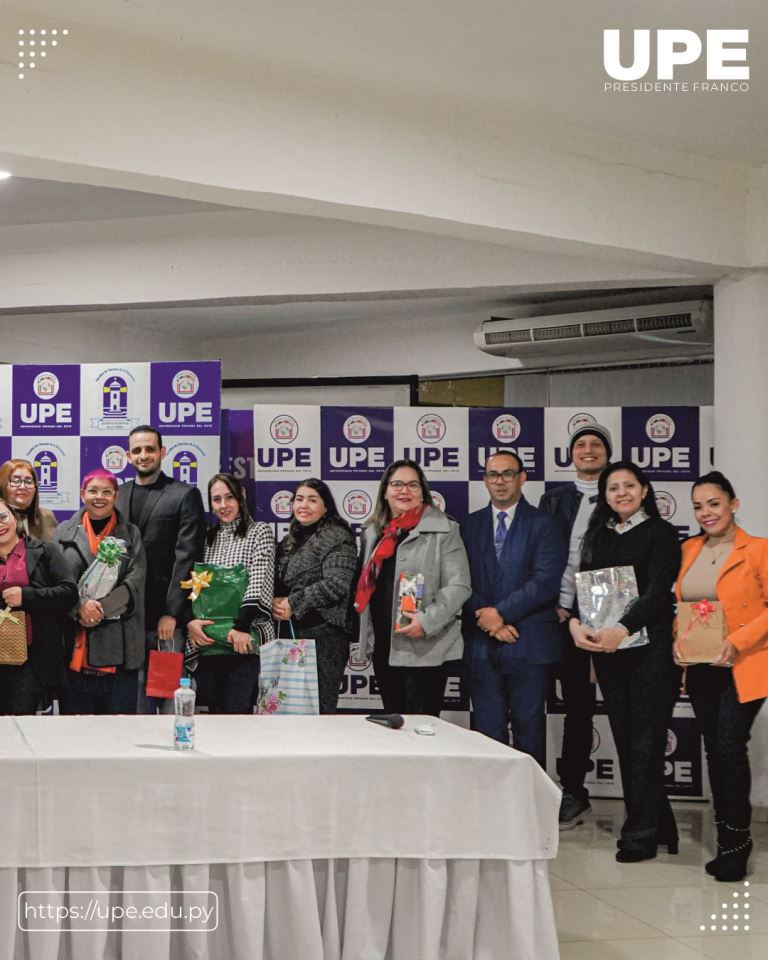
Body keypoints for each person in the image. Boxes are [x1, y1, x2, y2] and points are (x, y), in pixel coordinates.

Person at [569, 460, 682, 863]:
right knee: (626, 741)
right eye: (613, 488)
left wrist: (622, 627)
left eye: (629, 486)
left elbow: (657, 594)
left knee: (646, 742)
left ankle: (641, 832)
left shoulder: (662, 533)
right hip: (612, 654)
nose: (621, 493)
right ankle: (659, 822)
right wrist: (578, 625)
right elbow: (586, 589)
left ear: (644, 490)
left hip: (650, 652)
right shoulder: (598, 536)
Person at [674, 471, 768, 882]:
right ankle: (726, 836)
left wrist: (740, 640)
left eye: (713, 503)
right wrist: (677, 642)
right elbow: (683, 606)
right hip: (701, 667)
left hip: (745, 665)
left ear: (733, 503)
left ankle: (737, 842)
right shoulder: (688, 549)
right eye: (698, 506)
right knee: (715, 748)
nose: (705, 512)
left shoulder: (759, 549)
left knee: (730, 746)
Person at [460, 450, 566, 767]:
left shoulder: (545, 524)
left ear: (522, 477)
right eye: (493, 474)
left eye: (508, 473)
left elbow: (546, 580)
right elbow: (459, 580)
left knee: (529, 731)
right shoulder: (469, 525)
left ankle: (530, 807)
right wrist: (489, 620)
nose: (500, 481)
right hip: (482, 645)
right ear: (484, 480)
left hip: (529, 642)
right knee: (487, 733)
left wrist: (501, 614)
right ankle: (493, 808)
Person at [539, 423, 612, 828]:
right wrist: (553, 605)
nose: (588, 450)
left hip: (594, 620)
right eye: (580, 445)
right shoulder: (554, 499)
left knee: (580, 707)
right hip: (550, 615)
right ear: (571, 455)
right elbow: (541, 553)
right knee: (533, 701)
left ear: (607, 453)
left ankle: (574, 790)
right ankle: (534, 785)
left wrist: (587, 613)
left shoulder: (619, 495)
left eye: (596, 445)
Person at [356, 459, 470, 717]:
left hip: (424, 646)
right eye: (397, 484)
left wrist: (427, 622)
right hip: (384, 646)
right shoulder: (374, 532)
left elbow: (459, 585)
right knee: (393, 726)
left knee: (422, 729)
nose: (404, 491)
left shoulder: (444, 529)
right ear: (385, 491)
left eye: (412, 485)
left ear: (422, 491)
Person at [116, 425, 206, 712]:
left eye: (150, 449)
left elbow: (187, 556)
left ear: (162, 452)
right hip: (125, 617)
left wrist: (172, 612)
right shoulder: (116, 495)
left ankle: (173, 754)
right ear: (128, 456)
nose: (144, 455)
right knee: (133, 701)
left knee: (168, 696)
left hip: (164, 620)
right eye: (137, 450)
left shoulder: (183, 494)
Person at [54, 469, 146, 714]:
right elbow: (53, 583)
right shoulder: (63, 532)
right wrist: (78, 609)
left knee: (120, 736)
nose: (99, 497)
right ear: (83, 494)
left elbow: (135, 582)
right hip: (72, 646)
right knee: (76, 736)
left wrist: (100, 609)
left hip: (120, 651)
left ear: (116, 495)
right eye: (93, 491)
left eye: (107, 491)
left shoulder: (131, 533)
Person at [187, 473, 275, 713]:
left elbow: (259, 580)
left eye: (229, 497)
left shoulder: (259, 532)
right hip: (210, 641)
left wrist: (241, 627)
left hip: (243, 640)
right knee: (213, 714)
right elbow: (197, 587)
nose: (223, 506)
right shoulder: (207, 538)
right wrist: (192, 622)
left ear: (241, 497)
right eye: (216, 499)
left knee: (238, 712)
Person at [272, 478, 358, 714]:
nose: (304, 505)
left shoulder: (338, 537)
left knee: (318, 711)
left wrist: (293, 602)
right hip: (291, 635)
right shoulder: (290, 540)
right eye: (299, 499)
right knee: (286, 712)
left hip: (324, 638)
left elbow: (337, 584)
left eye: (312, 500)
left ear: (326, 506)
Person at [0, 497, 77, 714]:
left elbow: (69, 593)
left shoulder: (45, 551)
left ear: (15, 518)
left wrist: (26, 597)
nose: (0, 525)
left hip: (30, 661)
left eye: (3, 517)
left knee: (19, 729)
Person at [0, 459, 58, 540]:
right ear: (3, 484)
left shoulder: (46, 517)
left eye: (29, 481)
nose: (23, 487)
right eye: (16, 481)